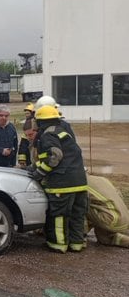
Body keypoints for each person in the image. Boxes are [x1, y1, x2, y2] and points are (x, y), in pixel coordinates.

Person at [29, 104, 88, 253]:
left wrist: (39, 173)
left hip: (62, 183)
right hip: (80, 182)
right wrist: (35, 166)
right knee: (77, 214)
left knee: (59, 215)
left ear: (41, 121)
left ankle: (58, 244)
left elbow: (55, 156)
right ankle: (76, 244)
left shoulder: (48, 134)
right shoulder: (63, 132)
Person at [86, 174, 129, 248]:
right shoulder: (102, 179)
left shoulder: (79, 183)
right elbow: (119, 195)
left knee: (79, 205)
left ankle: (79, 236)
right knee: (105, 239)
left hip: (110, 219)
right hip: (124, 218)